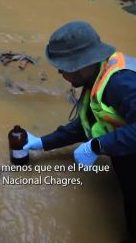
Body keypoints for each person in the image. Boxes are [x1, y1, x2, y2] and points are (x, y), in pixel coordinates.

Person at [24, 21, 136, 240]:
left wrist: (98, 146)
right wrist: (42, 142)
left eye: (64, 68)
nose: (60, 72)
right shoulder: (98, 76)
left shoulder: (119, 83)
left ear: (82, 64)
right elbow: (85, 124)